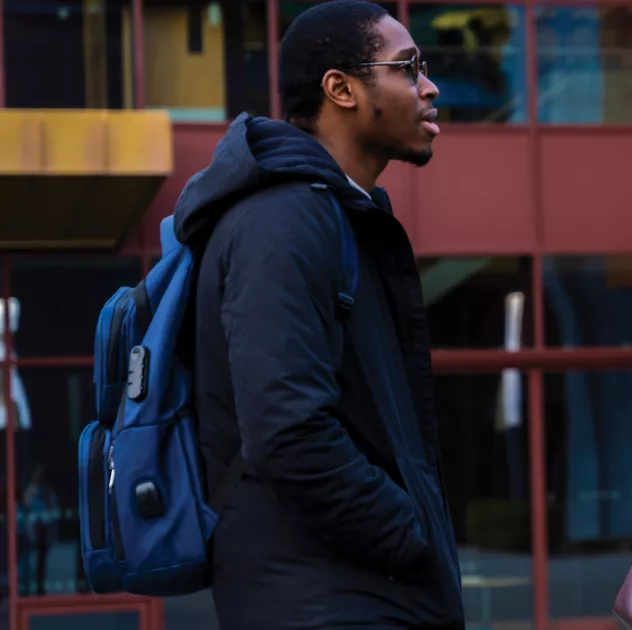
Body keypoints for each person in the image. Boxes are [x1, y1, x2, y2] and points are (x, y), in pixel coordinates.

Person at [172, 1, 462, 628]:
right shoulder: (284, 220)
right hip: (329, 601)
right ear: (342, 89)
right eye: (407, 68)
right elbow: (287, 431)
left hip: (351, 593)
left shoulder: (335, 213)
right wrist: (405, 534)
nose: (429, 87)